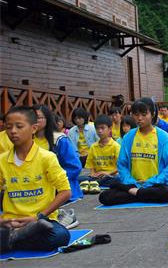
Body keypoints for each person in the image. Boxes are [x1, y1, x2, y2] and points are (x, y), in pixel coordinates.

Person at [0, 106, 71, 253]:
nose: (13, 131)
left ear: (33, 128)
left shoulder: (46, 157)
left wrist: (39, 216)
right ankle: (16, 236)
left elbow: (65, 192)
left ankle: (11, 240)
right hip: (10, 222)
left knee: (60, 236)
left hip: (40, 220)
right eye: (8, 127)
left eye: (19, 126)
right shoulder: (1, 160)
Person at [98, 97, 168, 206]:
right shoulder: (128, 137)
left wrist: (152, 182)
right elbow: (122, 164)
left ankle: (136, 194)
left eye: (144, 114)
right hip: (133, 184)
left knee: (166, 192)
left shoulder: (164, 137)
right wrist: (131, 183)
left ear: (153, 114)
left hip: (156, 184)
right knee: (105, 197)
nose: (139, 118)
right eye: (136, 114)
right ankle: (142, 195)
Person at [33, 105, 83, 211]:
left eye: (38, 117)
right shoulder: (27, 140)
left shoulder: (59, 139)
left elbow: (75, 167)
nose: (34, 121)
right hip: (34, 189)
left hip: (59, 188)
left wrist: (52, 181)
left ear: (48, 119)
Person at [79, 115, 121, 194]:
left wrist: (107, 173)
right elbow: (90, 165)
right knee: (78, 178)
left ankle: (93, 184)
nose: (100, 131)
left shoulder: (116, 146)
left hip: (111, 175)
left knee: (119, 179)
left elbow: (121, 166)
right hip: (97, 176)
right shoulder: (93, 147)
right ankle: (94, 183)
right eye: (97, 128)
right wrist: (92, 174)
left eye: (102, 128)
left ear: (109, 129)